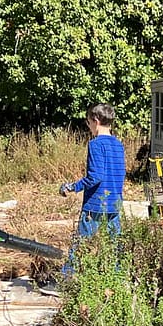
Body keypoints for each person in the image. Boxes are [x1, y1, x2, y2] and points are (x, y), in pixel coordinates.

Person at [58, 103, 126, 272]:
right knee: (116, 246)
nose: (88, 127)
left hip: (95, 203)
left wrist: (73, 187)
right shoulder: (118, 145)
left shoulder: (96, 144)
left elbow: (96, 176)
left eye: (88, 122)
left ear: (95, 121)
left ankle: (67, 279)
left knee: (81, 243)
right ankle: (117, 279)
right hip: (115, 203)